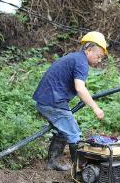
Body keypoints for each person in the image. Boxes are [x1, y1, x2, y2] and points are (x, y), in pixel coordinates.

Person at [33, 31, 107, 171]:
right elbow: (80, 88)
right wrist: (95, 108)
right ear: (89, 50)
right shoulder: (81, 62)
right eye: (99, 56)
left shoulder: (75, 58)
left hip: (48, 100)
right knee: (74, 134)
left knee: (63, 131)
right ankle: (80, 171)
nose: (99, 60)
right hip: (53, 102)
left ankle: (53, 162)